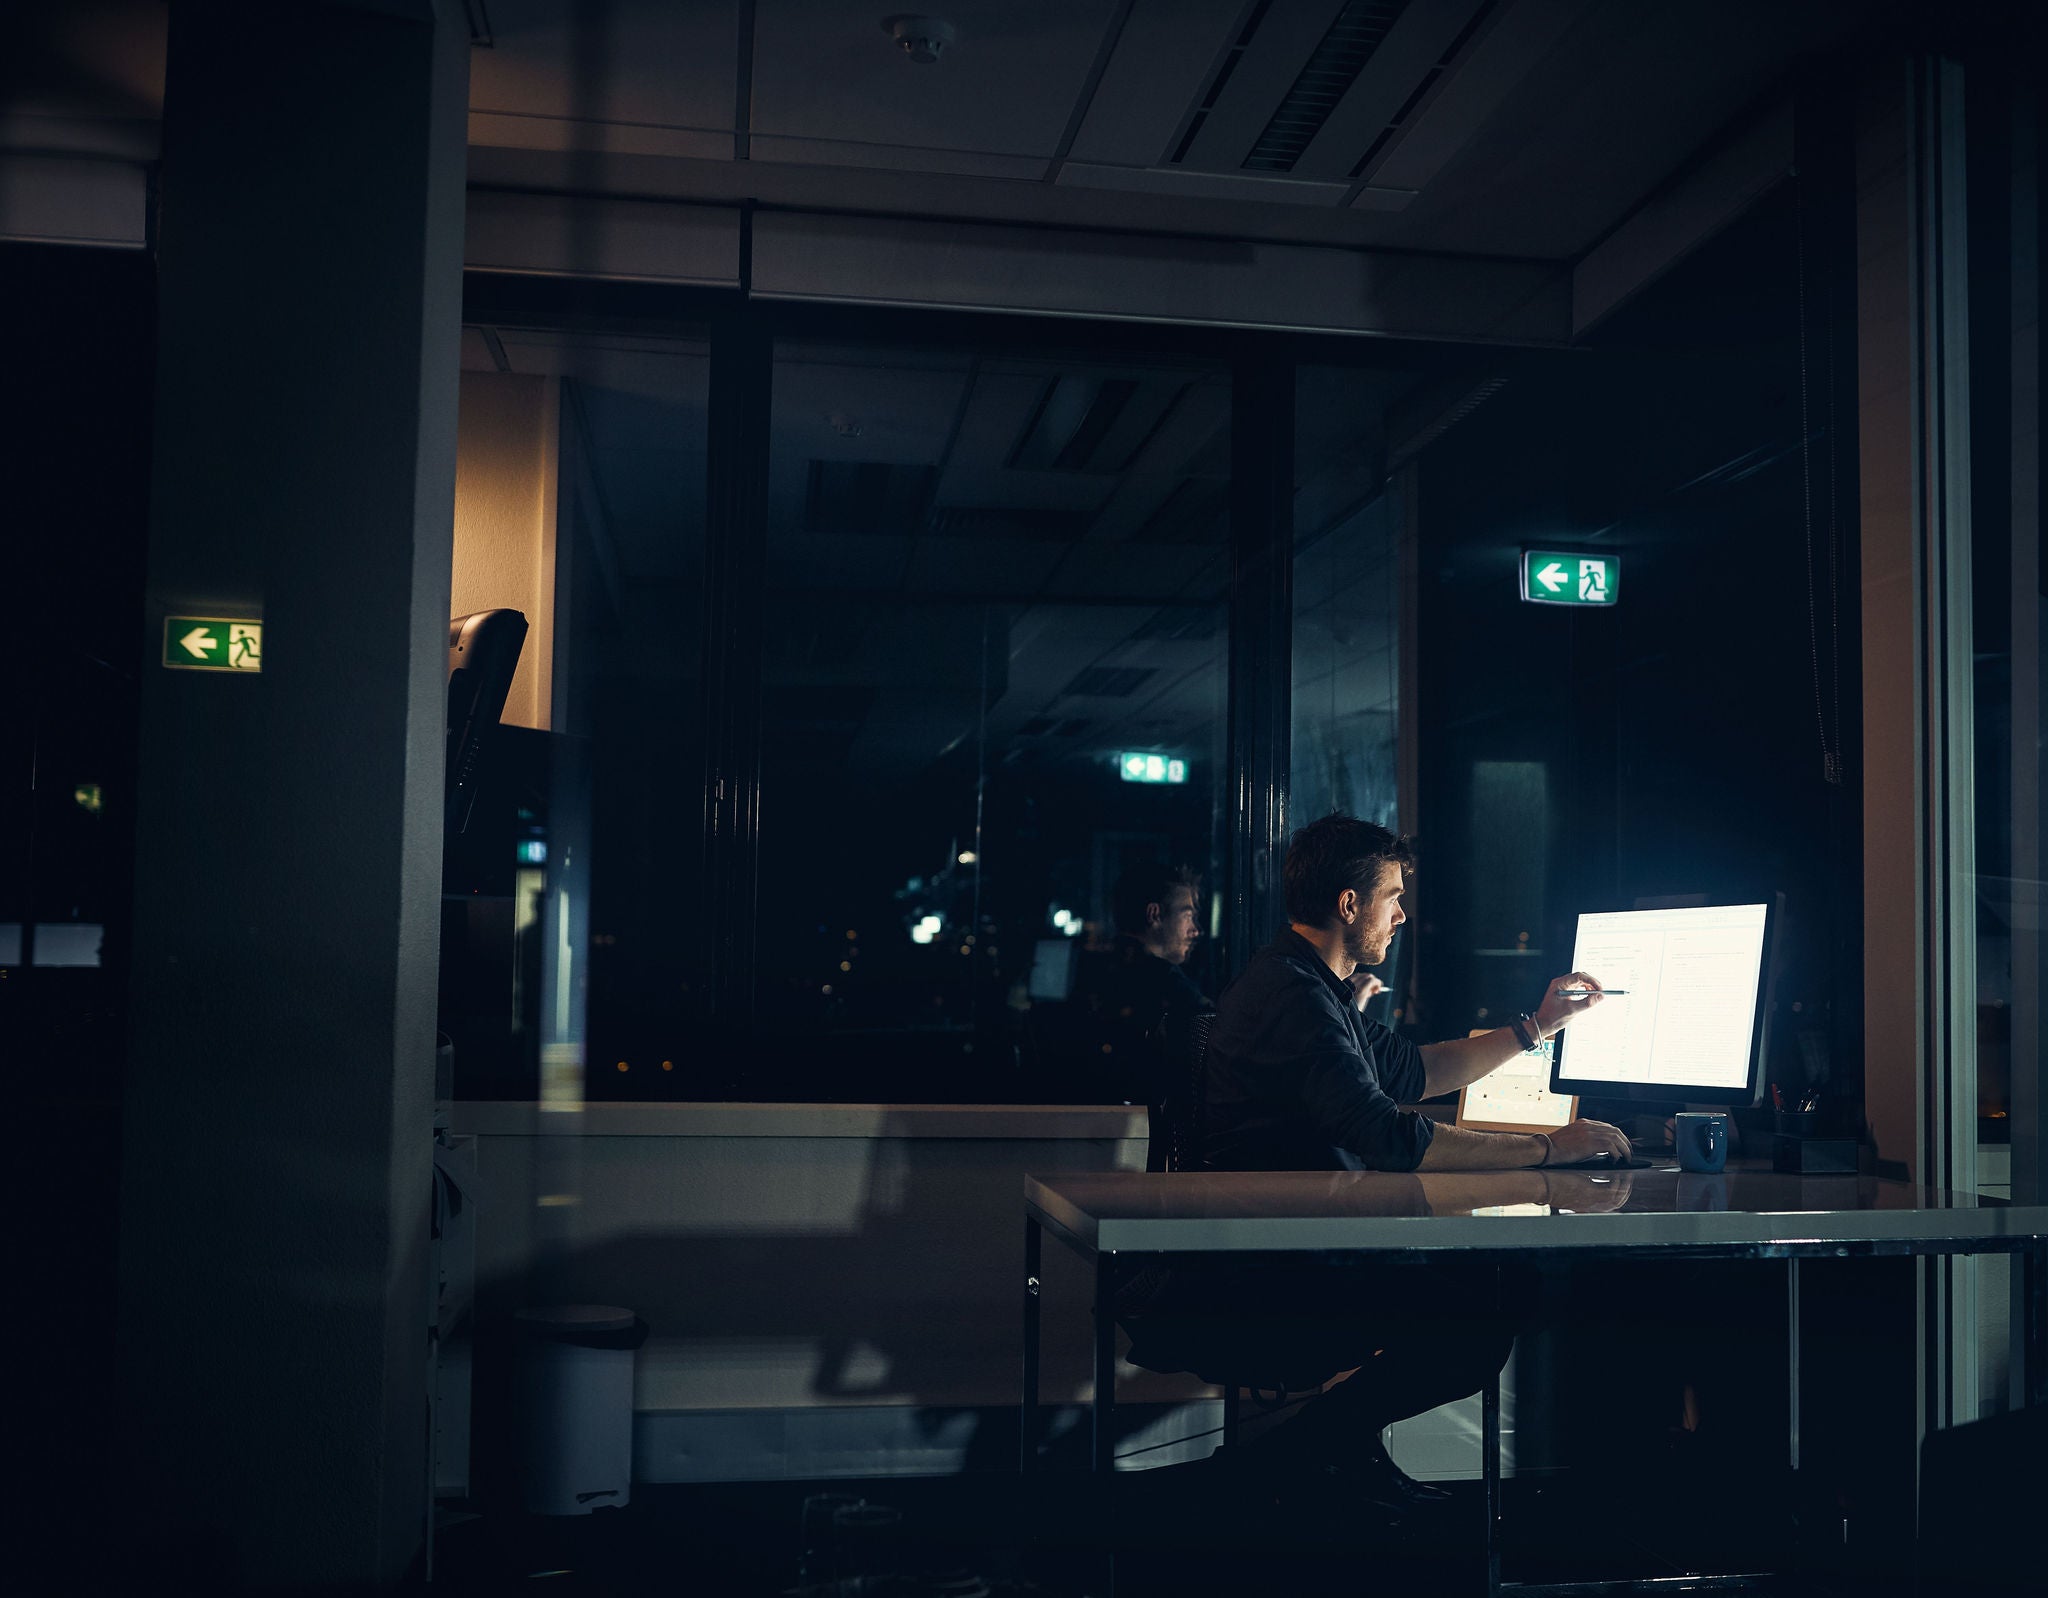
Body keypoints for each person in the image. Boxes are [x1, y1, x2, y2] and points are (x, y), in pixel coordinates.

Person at [1123, 813, 1630, 1516]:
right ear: (1348, 904)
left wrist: (1536, 1026)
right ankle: (1298, 1456)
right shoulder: (1294, 997)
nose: (1400, 915)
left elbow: (1415, 1072)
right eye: (1392, 896)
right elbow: (1389, 1135)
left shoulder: (1305, 984)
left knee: (1491, 1289)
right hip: (1272, 1274)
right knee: (1489, 1306)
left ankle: (1322, 1454)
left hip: (1289, 1251)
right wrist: (1551, 1149)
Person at [1072, 863, 1212, 1111]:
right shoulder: (1169, 987)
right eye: (1188, 915)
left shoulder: (1089, 972)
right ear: (1154, 914)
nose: (1196, 931)